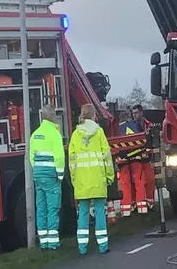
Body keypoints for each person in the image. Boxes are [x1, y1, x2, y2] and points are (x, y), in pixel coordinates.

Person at [69, 104, 115, 255]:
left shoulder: (75, 134)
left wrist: (74, 179)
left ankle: (82, 248)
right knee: (100, 211)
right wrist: (110, 176)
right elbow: (107, 157)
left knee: (82, 212)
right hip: (98, 178)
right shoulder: (99, 132)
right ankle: (103, 246)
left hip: (82, 181)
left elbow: (72, 161)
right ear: (94, 115)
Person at [29, 104, 65, 250]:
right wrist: (60, 175)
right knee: (53, 208)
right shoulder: (54, 134)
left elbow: (31, 156)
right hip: (51, 176)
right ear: (53, 117)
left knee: (41, 208)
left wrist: (37, 170)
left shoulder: (35, 134)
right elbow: (60, 157)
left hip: (38, 175)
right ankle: (53, 243)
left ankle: (43, 242)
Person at [115, 110, 146, 217]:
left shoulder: (116, 128)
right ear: (129, 117)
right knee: (139, 181)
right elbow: (143, 138)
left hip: (122, 158)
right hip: (136, 156)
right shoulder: (135, 124)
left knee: (125, 184)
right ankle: (142, 208)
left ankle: (126, 210)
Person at [132, 104, 156, 212]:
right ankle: (138, 205)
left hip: (147, 158)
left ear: (141, 113)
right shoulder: (131, 126)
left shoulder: (149, 125)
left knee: (150, 180)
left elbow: (153, 140)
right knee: (138, 182)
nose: (134, 115)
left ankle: (150, 203)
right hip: (136, 158)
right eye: (133, 113)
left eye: (136, 113)